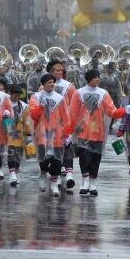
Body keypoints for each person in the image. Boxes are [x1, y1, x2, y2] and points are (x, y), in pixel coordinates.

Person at [71, 68, 125, 196]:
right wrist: (69, 130)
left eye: (98, 77)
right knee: (84, 157)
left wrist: (122, 111)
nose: (98, 79)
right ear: (89, 78)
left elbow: (111, 110)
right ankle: (84, 182)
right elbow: (72, 112)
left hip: (98, 131)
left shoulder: (103, 93)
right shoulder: (78, 93)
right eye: (95, 77)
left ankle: (93, 183)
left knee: (96, 158)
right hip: (83, 131)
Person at [29, 73, 72, 197]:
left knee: (56, 159)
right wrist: (40, 107)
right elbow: (33, 116)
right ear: (43, 84)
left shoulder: (60, 98)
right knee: (43, 158)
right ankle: (43, 174)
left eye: (53, 82)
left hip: (57, 133)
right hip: (41, 132)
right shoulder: (35, 97)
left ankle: (54, 184)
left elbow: (66, 117)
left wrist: (67, 133)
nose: (52, 84)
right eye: (49, 82)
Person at [48, 59, 80, 190]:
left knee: (67, 146)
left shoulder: (69, 86)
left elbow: (75, 104)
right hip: (49, 123)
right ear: (50, 71)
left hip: (65, 122)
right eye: (57, 70)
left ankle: (69, 173)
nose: (60, 72)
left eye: (61, 70)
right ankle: (56, 171)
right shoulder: (45, 85)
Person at [5, 85, 30, 187]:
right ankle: (12, 174)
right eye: (14, 94)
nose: (16, 96)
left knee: (18, 155)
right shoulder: (5, 104)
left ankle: (16, 170)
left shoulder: (24, 106)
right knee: (11, 153)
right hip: (8, 133)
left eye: (18, 95)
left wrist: (28, 135)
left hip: (20, 134)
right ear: (10, 93)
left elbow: (28, 121)